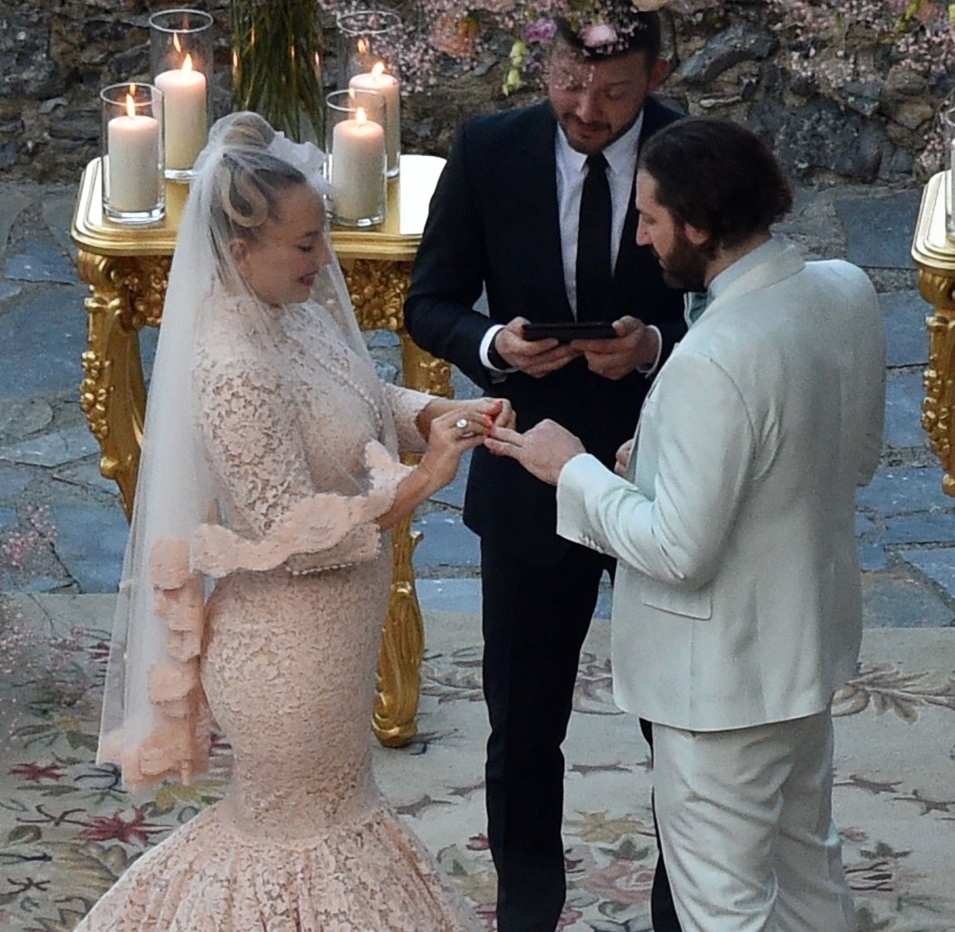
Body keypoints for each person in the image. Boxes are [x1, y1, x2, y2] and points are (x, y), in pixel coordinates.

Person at [74, 111, 512, 931]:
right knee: (301, 846)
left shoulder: (294, 314)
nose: (324, 261)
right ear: (240, 252)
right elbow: (291, 538)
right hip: (285, 656)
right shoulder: (234, 368)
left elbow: (361, 401)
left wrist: (437, 414)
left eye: (322, 239)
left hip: (333, 640)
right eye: (305, 245)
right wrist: (425, 481)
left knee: (330, 833)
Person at [485, 116, 886, 931]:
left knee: (722, 909)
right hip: (802, 650)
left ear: (699, 226)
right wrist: (666, 458)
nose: (639, 238)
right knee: (810, 878)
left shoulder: (712, 356)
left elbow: (677, 549)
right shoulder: (846, 288)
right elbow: (849, 456)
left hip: (718, 687)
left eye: (652, 219)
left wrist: (575, 469)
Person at [404, 4, 687, 929]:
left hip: (664, 473)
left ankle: (682, 904)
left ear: (654, 76)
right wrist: (493, 342)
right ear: (544, 64)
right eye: (570, 83)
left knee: (679, 727)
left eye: (612, 92)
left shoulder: (694, 151)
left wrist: (651, 346)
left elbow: (731, 306)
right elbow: (430, 301)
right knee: (523, 727)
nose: (587, 107)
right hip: (527, 471)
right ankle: (527, 906)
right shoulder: (489, 148)